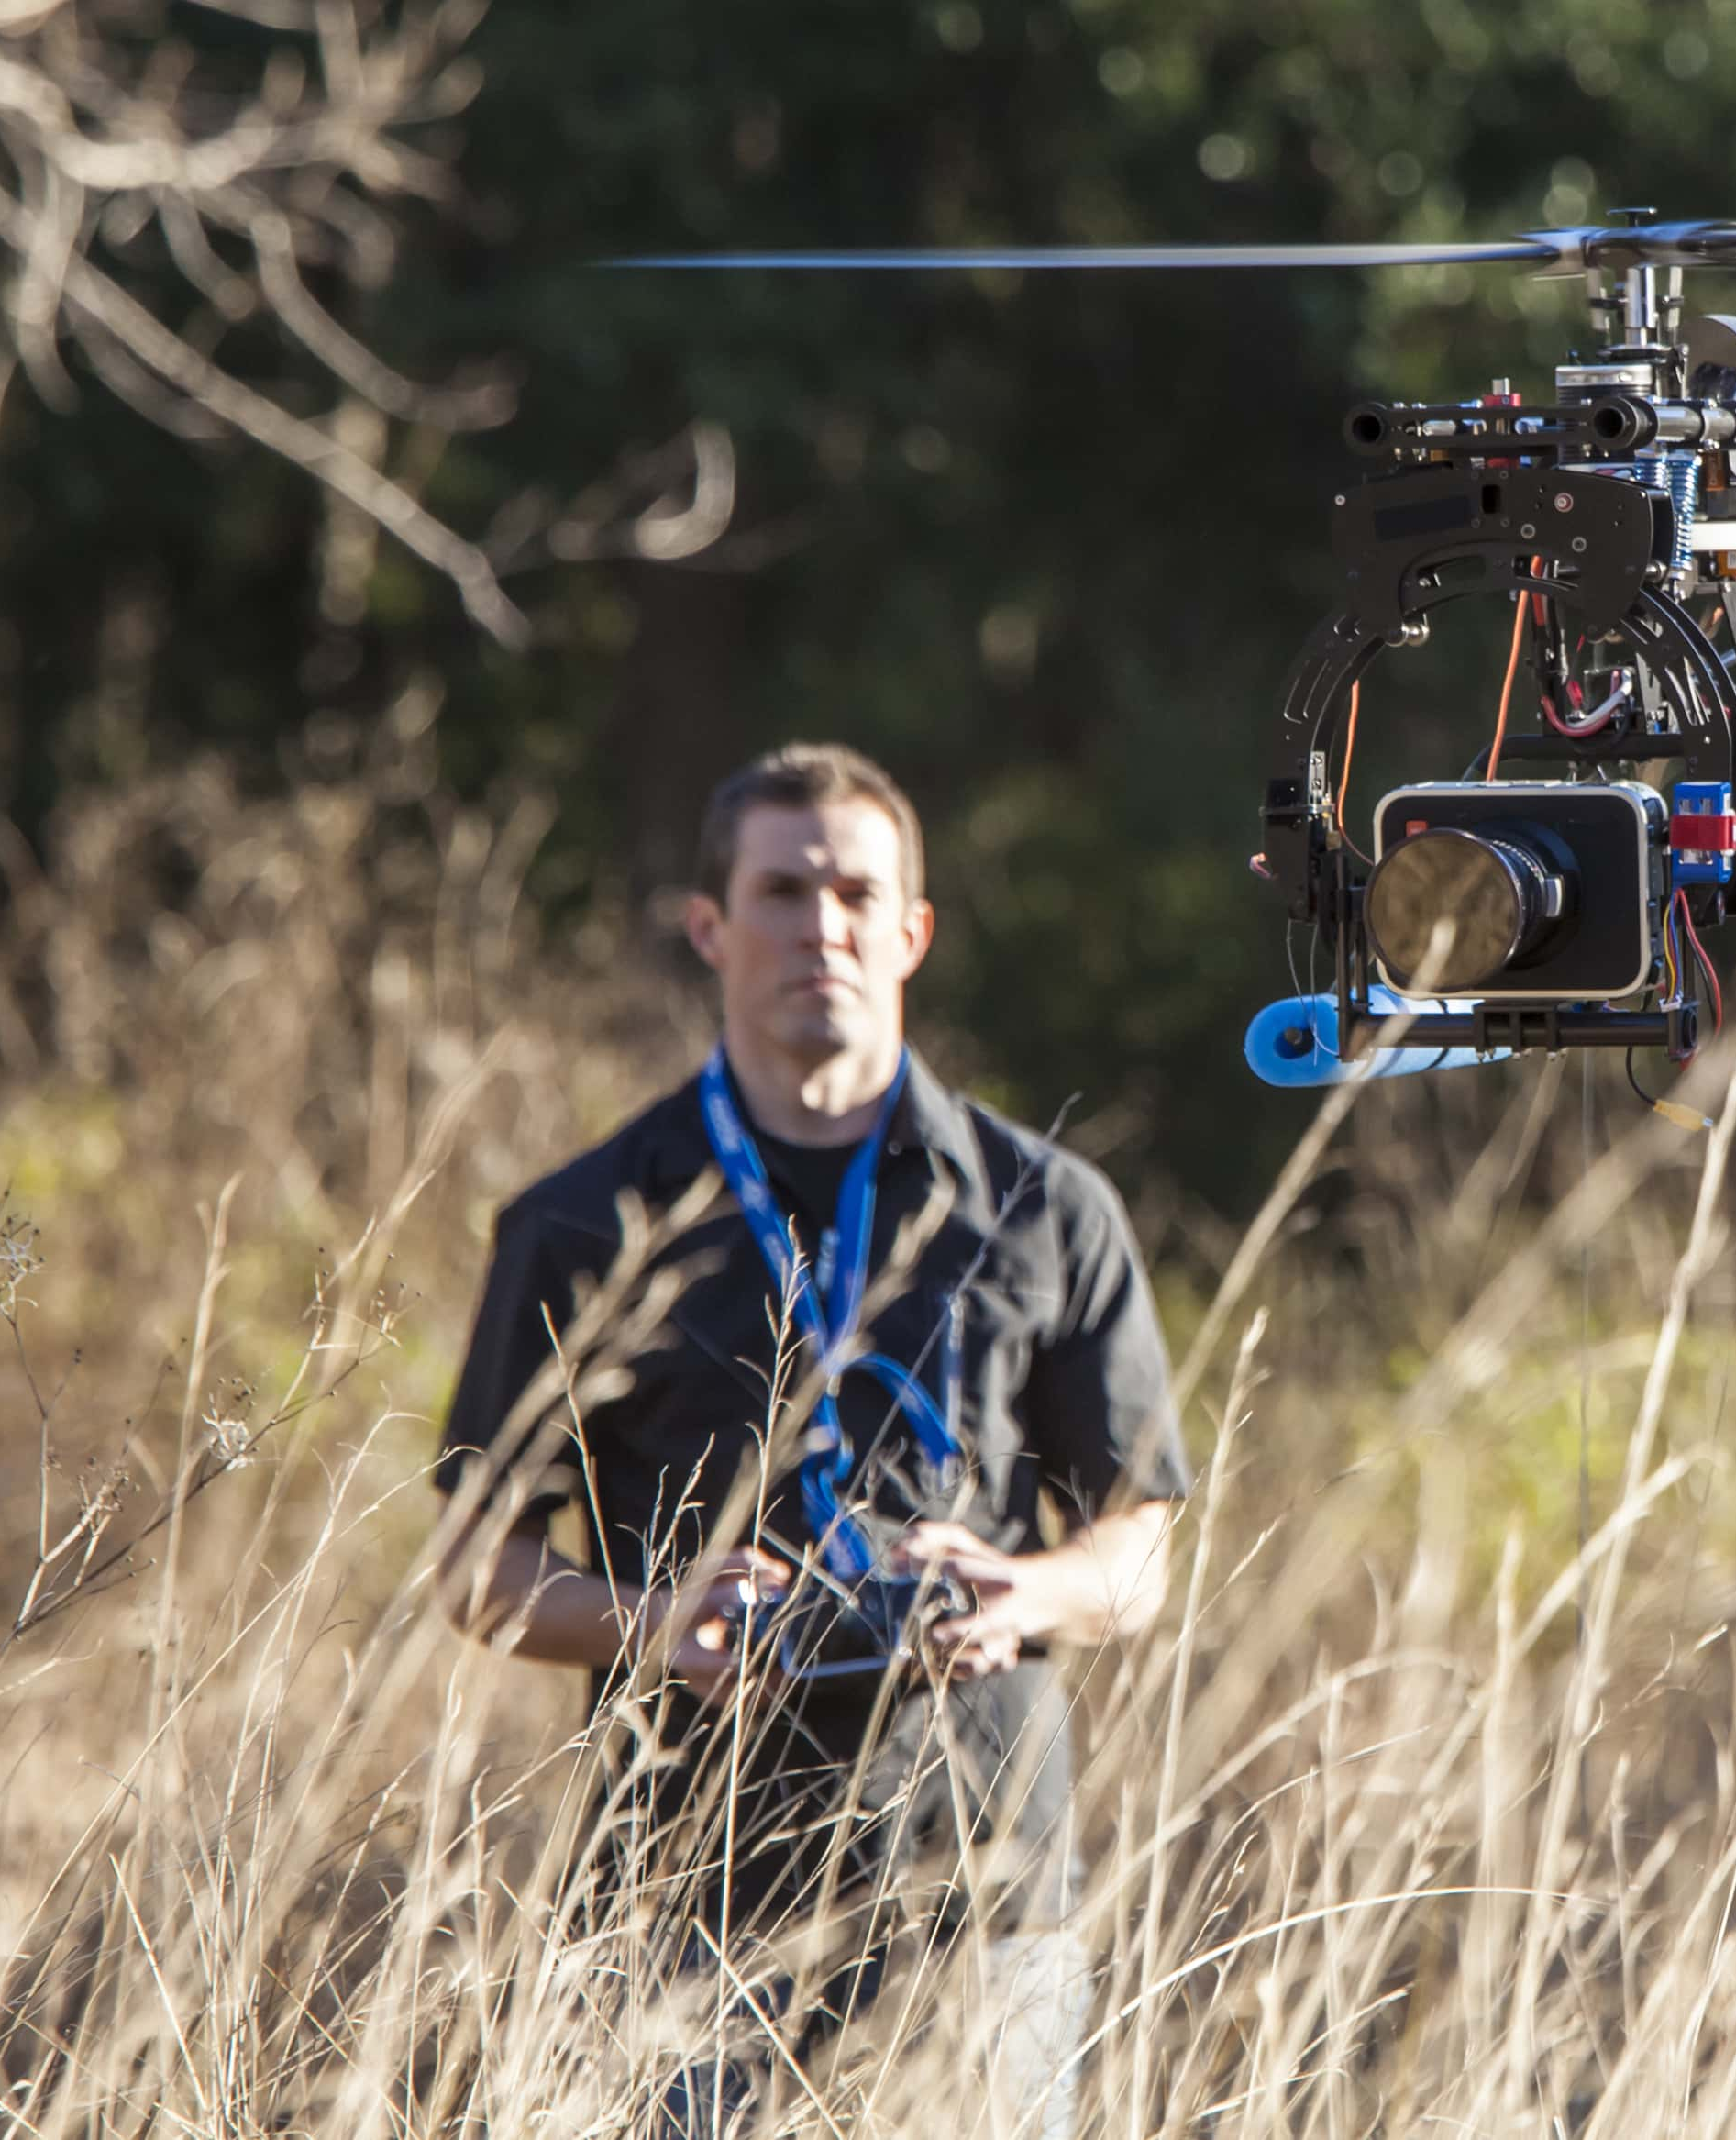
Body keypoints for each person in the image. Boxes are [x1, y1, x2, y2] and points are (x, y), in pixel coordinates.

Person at [433, 741, 1187, 2138]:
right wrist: (656, 1623)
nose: (821, 926)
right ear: (711, 925)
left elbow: (1138, 1556)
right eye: (782, 890)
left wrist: (1032, 1592)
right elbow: (477, 1573)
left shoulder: (1047, 1206)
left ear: (914, 931)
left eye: (856, 892)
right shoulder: (584, 1220)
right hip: (684, 1877)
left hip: (989, 1860)